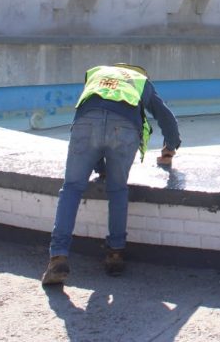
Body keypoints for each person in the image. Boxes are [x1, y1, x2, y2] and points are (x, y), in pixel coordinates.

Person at [41, 63, 181, 286]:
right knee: (117, 190)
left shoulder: (96, 74)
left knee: (71, 188)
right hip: (125, 128)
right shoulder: (141, 81)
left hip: (86, 124)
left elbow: (95, 115)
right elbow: (166, 118)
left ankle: (58, 257)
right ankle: (115, 254)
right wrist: (170, 148)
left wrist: (100, 168)